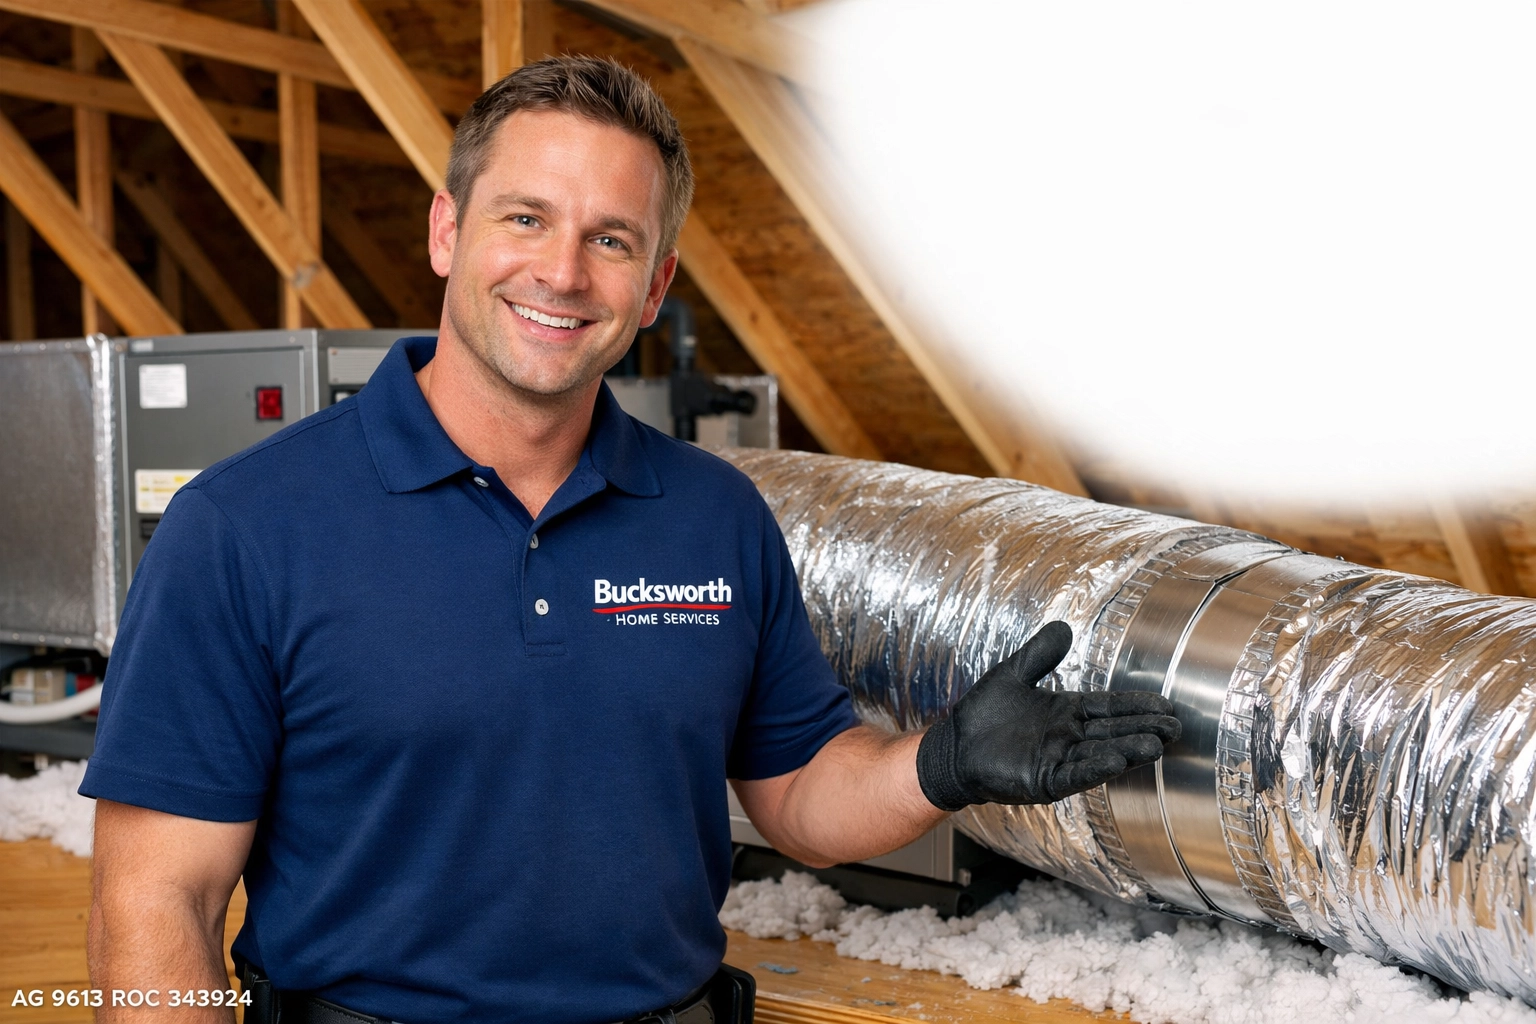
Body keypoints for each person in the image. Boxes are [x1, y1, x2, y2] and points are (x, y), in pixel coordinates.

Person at [81, 57, 1180, 1024]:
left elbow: (799, 796)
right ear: (446, 231)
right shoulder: (245, 526)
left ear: (654, 286)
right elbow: (156, 901)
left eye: (610, 240)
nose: (563, 273)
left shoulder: (715, 516)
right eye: (525, 219)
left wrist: (939, 764)